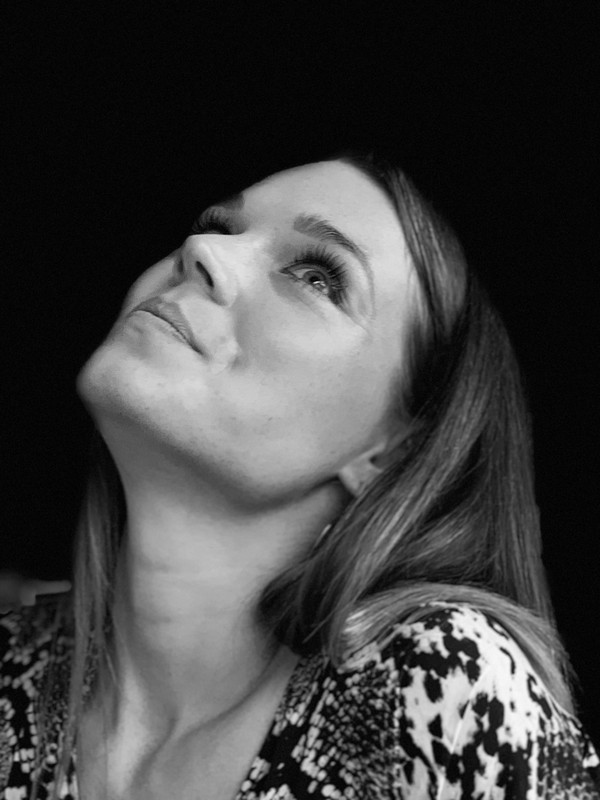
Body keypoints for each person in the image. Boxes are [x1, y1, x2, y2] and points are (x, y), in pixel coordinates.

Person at [1, 152, 598, 800]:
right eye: (219, 226)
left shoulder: (442, 689)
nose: (202, 249)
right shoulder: (12, 674)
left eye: (317, 276)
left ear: (393, 450)